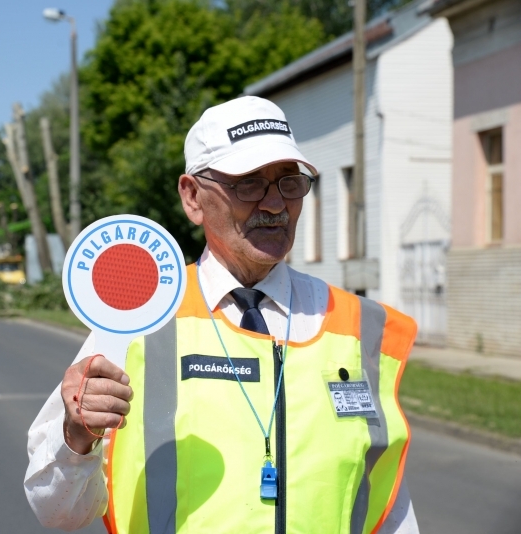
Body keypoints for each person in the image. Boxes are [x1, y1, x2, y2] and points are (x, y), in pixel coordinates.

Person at [25, 96, 418, 534]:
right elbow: (60, 513)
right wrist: (77, 437)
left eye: (289, 182)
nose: (274, 205)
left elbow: (390, 511)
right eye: (248, 184)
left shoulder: (363, 326)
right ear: (192, 197)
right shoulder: (141, 318)